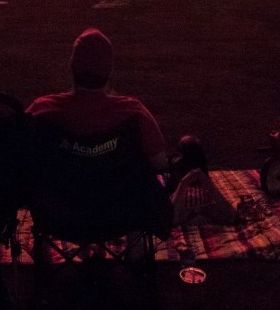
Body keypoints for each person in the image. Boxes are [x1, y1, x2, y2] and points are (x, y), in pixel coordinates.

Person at [27, 27, 173, 237]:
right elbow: (159, 162)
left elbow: (16, 154)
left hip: (59, 215)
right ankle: (137, 261)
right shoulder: (132, 112)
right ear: (108, 71)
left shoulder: (42, 110)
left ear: (72, 67)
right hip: (121, 214)